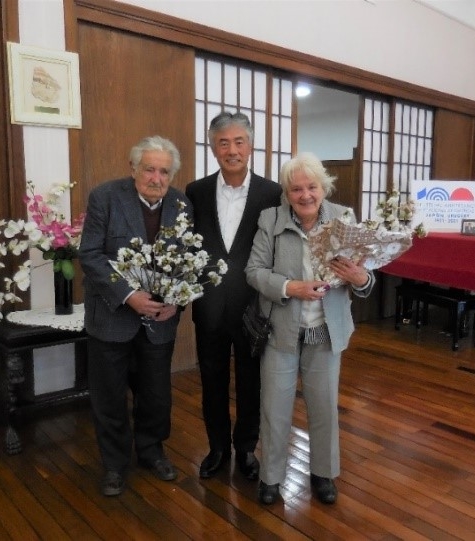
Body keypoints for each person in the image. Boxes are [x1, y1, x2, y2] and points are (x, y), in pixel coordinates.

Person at [245, 152, 375, 505]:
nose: (305, 195)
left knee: (324, 407)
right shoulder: (271, 219)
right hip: (280, 330)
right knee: (274, 408)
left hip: (326, 330)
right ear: (286, 193)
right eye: (296, 189)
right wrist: (292, 287)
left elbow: (365, 278)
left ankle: (323, 473)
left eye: (312, 187)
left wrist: (360, 277)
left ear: (324, 187)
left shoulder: (344, 219)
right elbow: (254, 271)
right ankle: (271, 477)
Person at [78, 135, 191, 496]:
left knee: (156, 395)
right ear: (133, 168)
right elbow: (91, 254)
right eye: (149, 169)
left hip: (159, 320)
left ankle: (151, 452)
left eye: (164, 171)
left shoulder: (181, 204)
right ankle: (114, 464)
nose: (157, 178)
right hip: (112, 317)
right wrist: (129, 296)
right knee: (109, 396)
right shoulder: (105, 197)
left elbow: (189, 259)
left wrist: (178, 299)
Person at [185, 111, 282, 481]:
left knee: (251, 381)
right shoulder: (195, 191)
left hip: (253, 306)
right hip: (208, 305)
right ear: (213, 148)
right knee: (211, 380)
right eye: (223, 143)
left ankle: (245, 449)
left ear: (250, 146)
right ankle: (217, 448)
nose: (232, 150)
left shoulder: (272, 193)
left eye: (239, 141)